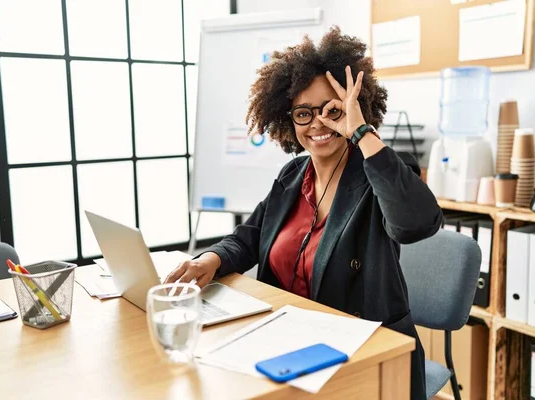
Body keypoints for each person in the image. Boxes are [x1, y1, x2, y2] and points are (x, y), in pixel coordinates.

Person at [166, 27, 442, 399]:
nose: (317, 123)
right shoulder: (293, 176)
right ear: (287, 119)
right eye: (302, 112)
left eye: (331, 110)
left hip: (363, 356)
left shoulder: (382, 172)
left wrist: (359, 130)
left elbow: (416, 224)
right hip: (286, 342)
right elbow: (249, 237)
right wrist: (211, 260)